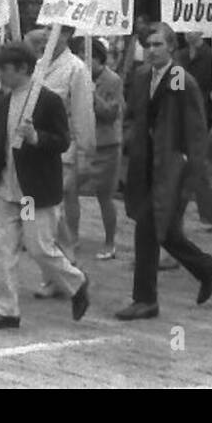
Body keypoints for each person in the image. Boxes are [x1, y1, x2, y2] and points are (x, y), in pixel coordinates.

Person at [0, 41, 89, 329]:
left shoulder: (47, 100)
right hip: (7, 190)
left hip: (32, 193)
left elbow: (62, 140)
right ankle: (5, 310)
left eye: (4, 69)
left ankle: (76, 282)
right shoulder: (4, 101)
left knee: (39, 248)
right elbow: (0, 148)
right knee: (2, 251)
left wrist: (37, 138)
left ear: (22, 68)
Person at [114, 22, 212, 320]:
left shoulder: (182, 81)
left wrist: (191, 173)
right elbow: (135, 115)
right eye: (148, 45)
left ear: (171, 47)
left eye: (158, 44)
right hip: (144, 165)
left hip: (172, 168)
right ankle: (205, 266)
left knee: (147, 230)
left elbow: (196, 131)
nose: (151, 50)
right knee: (167, 231)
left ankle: (145, 299)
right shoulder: (140, 76)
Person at [24, 26, 95, 271]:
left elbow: (82, 113)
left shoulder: (76, 69)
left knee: (55, 207)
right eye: (45, 28)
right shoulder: (36, 65)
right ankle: (56, 255)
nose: (47, 34)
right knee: (34, 203)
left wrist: (85, 152)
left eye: (55, 30)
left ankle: (66, 258)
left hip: (62, 148)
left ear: (67, 35)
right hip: (32, 146)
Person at [176, 31, 212, 227]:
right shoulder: (180, 56)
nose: (187, 33)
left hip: (205, 119)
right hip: (181, 118)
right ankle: (178, 212)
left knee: (200, 168)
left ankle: (207, 216)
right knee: (179, 167)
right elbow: (175, 87)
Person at [87, 38, 124, 260]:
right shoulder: (78, 76)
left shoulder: (112, 80)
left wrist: (92, 95)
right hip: (83, 142)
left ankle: (110, 242)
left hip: (106, 145)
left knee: (104, 195)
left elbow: (111, 114)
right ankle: (69, 237)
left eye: (88, 57)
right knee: (67, 189)